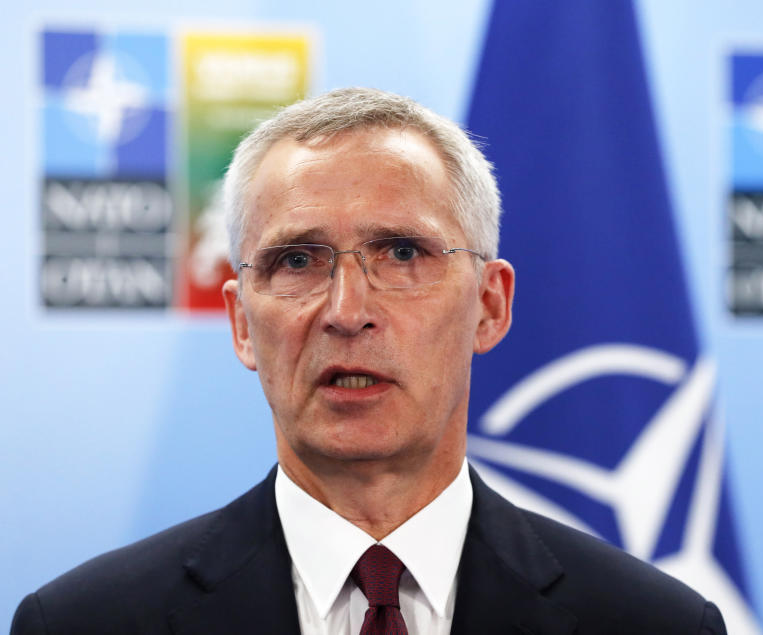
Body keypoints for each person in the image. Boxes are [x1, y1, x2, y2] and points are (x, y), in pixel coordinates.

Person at [11, 88, 726, 635]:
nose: (347, 309)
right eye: (298, 259)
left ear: (489, 304)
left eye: (403, 253)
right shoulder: (84, 623)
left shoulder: (653, 624)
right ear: (240, 323)